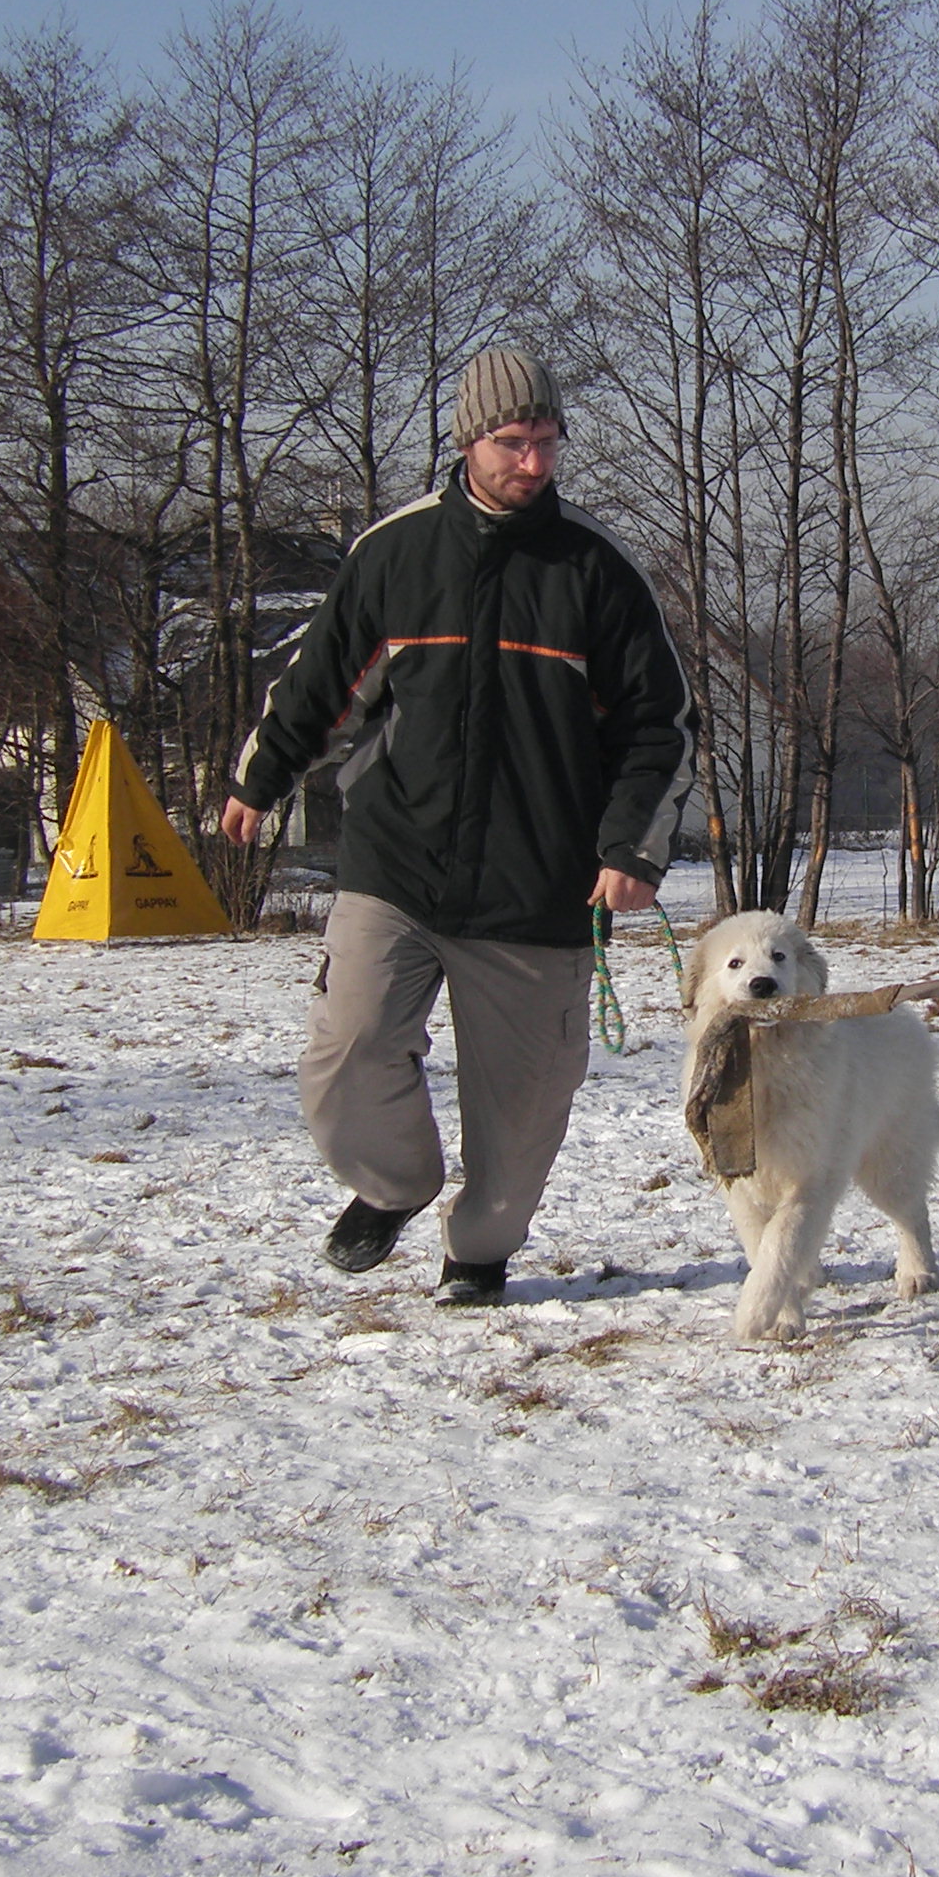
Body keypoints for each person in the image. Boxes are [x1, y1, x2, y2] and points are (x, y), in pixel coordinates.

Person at [218, 348, 694, 1307]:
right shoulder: (395, 554)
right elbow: (322, 683)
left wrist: (632, 848)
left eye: (547, 443)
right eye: (512, 443)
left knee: (522, 1110)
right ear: (467, 441)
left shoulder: (596, 572)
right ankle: (393, 1183)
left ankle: (476, 1252)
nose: (533, 463)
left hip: (540, 885)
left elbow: (659, 727)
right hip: (397, 861)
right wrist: (263, 776)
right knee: (347, 1047)